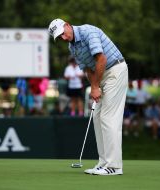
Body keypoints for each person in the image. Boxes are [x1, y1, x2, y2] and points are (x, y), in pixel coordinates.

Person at [49, 18, 128, 175]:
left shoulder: (87, 32)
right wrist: (95, 87)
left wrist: (95, 87)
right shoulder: (73, 47)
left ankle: (114, 166)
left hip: (115, 71)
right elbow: (88, 69)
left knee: (108, 117)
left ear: (67, 25)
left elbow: (101, 59)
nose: (64, 38)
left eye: (63, 33)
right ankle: (104, 163)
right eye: (60, 38)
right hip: (101, 76)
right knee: (97, 117)